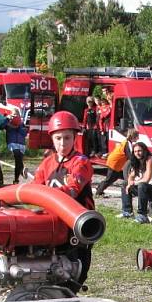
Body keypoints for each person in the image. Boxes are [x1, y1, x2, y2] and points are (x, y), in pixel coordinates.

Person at [32, 111, 94, 292]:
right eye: (58, 138)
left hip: (76, 226)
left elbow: (72, 191)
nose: (62, 143)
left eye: (67, 138)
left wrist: (44, 194)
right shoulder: (47, 163)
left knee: (74, 274)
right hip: (52, 224)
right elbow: (34, 188)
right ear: (52, 138)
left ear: (75, 137)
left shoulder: (81, 162)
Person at [123, 142, 152, 223]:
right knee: (124, 184)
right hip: (148, 190)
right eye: (135, 151)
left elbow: (146, 179)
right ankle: (127, 212)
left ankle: (142, 215)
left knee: (142, 185)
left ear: (145, 151)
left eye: (139, 151)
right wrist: (129, 183)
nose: (137, 153)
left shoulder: (150, 160)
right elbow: (131, 176)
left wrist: (133, 183)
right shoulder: (137, 162)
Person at [95, 128, 138, 196]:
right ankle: (98, 192)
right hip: (114, 162)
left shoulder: (127, 142)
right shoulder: (128, 144)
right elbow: (130, 157)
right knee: (110, 179)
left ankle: (99, 188)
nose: (138, 138)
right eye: (137, 136)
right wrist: (136, 163)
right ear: (133, 136)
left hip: (115, 162)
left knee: (114, 177)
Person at [6, 114, 27, 184]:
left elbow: (24, 133)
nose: (14, 116)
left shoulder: (22, 124)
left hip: (21, 144)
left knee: (18, 161)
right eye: (13, 115)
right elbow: (1, 126)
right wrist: (7, 120)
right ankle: (22, 170)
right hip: (12, 143)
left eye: (16, 115)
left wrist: (18, 127)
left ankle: (16, 179)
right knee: (17, 156)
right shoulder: (8, 123)